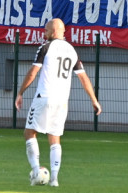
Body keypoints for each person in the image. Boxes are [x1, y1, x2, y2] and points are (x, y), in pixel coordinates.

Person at [15, 18, 101, 188]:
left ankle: (36, 172)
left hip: (44, 97)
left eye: (46, 30)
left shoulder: (46, 47)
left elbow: (33, 72)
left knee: (29, 133)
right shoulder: (71, 50)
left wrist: (20, 92)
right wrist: (94, 100)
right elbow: (83, 78)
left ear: (53, 32)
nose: (44, 33)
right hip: (62, 101)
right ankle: (54, 178)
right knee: (55, 138)